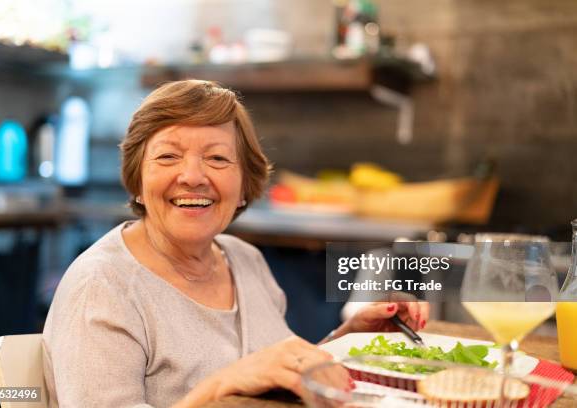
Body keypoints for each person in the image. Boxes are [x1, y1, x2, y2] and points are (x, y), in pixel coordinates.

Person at [42, 80, 429, 408]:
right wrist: (219, 387)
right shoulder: (102, 286)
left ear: (244, 186)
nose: (192, 176)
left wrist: (350, 340)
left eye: (216, 158)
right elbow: (242, 375)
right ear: (137, 182)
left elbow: (271, 371)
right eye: (168, 156)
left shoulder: (244, 259)